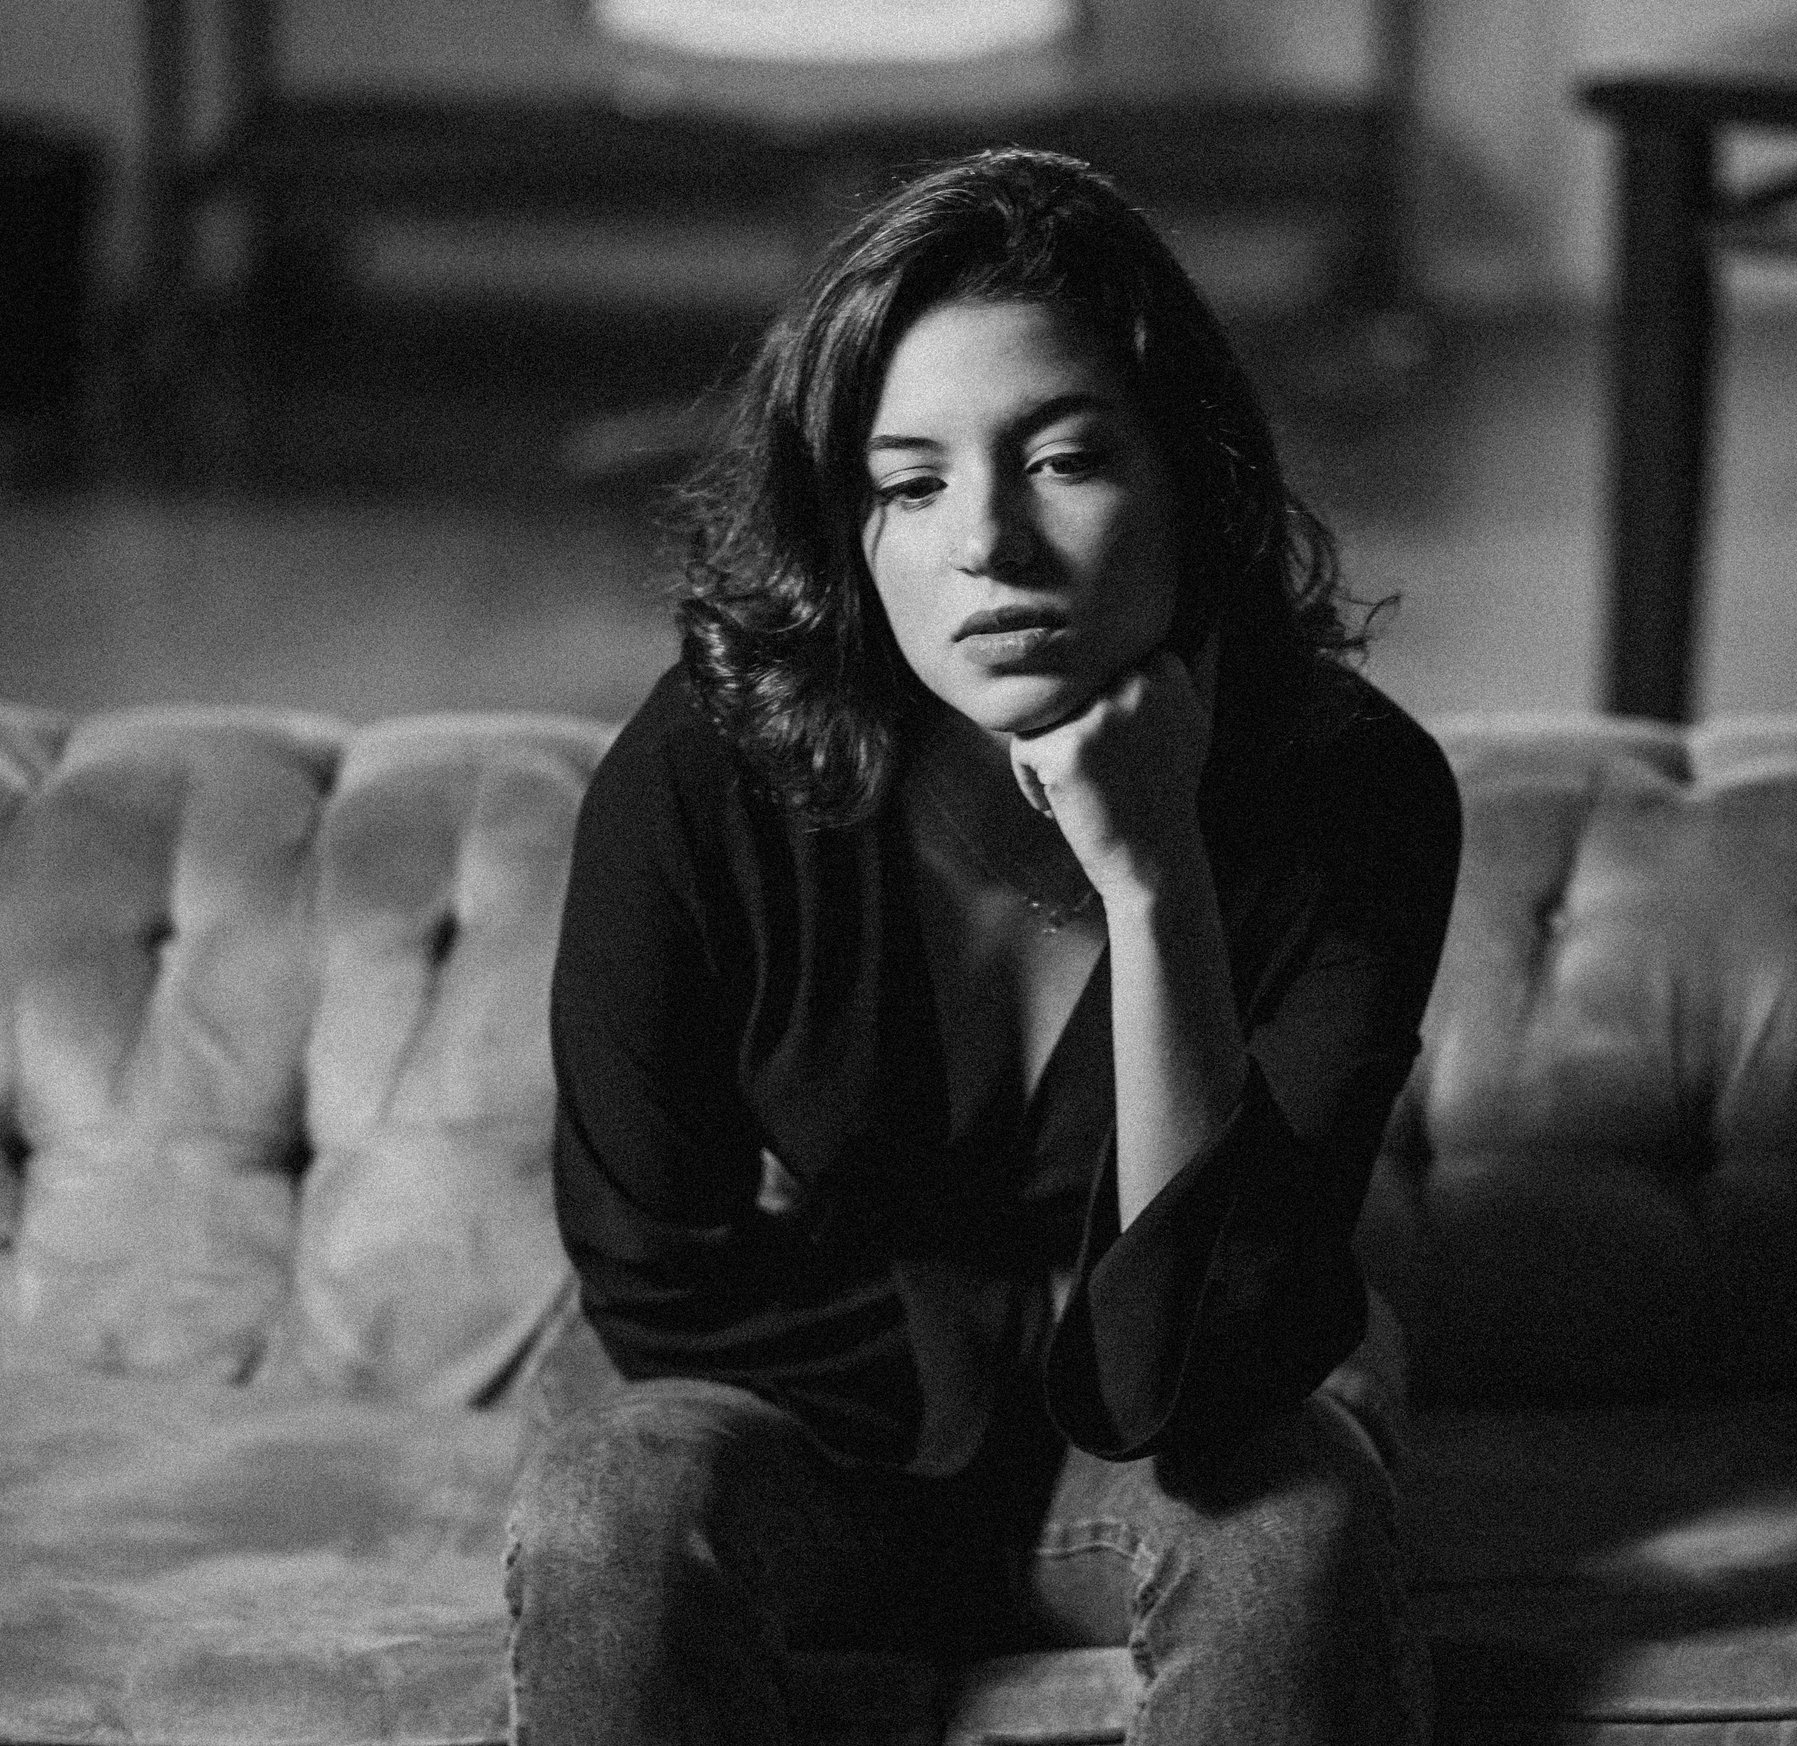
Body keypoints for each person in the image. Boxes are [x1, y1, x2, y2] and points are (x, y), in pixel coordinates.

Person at [505, 146, 1461, 1745]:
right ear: (847, 528)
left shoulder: (1358, 795)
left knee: (1291, 1522)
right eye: (911, 482)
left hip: (1173, 1414)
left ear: (1192, 475)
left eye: (1066, 458)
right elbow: (652, 1268)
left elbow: (1210, 1356)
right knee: (614, 1507)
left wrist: (1156, 881)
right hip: (803, 1402)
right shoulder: (699, 781)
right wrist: (1003, 1372)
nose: (988, 544)